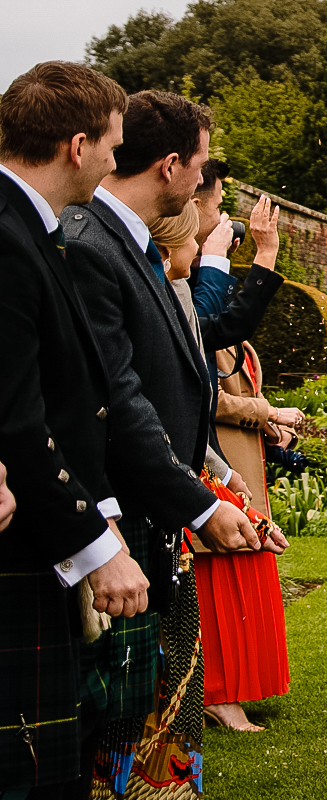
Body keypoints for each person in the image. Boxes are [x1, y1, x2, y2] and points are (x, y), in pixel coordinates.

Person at [62, 89, 273, 799]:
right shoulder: (91, 245)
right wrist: (200, 505)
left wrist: (204, 491)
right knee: (103, 726)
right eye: (204, 163)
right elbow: (117, 399)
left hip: (155, 513)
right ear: (174, 163)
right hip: (114, 517)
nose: (206, 180)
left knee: (140, 710)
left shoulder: (130, 244)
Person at [0, 60, 148, 799]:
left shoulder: (33, 228)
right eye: (114, 146)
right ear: (77, 144)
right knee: (28, 773)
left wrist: (105, 516)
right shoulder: (7, 236)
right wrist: (96, 548)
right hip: (21, 538)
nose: (118, 162)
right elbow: (18, 418)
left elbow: (65, 397)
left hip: (48, 525)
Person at [197, 203, 297, 734]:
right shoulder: (190, 308)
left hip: (244, 462)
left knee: (247, 574)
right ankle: (219, 694)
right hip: (217, 464)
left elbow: (240, 386)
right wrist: (267, 412)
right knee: (222, 578)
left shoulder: (219, 316)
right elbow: (203, 398)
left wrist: (269, 424)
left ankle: (240, 686)